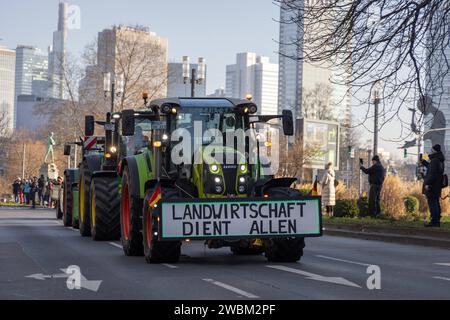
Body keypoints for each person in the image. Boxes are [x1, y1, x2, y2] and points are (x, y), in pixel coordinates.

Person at [422, 144, 445, 227]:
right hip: (437, 185)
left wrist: (427, 183)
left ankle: (434, 221)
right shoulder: (439, 160)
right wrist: (425, 163)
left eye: (432, 150)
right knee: (435, 202)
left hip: (432, 185)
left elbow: (432, 174)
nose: (430, 151)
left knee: (432, 203)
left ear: (434, 150)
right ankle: (437, 220)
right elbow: (433, 169)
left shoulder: (435, 160)